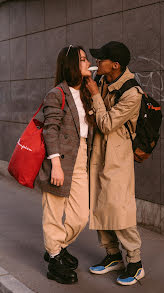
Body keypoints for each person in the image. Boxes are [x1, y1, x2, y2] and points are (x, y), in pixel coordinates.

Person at [86, 41, 145, 286]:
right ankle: (113, 255)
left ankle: (135, 262)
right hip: (99, 152)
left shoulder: (132, 93)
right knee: (99, 204)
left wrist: (96, 97)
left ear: (115, 65)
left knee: (119, 208)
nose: (97, 63)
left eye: (101, 60)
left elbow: (108, 124)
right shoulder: (103, 80)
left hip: (118, 157)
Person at [39, 45, 94, 284]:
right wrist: (56, 165)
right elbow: (50, 130)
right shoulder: (57, 93)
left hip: (81, 157)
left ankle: (57, 247)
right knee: (54, 211)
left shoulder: (85, 92)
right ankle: (54, 258)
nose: (87, 62)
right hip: (59, 158)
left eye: (86, 59)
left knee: (81, 215)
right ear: (71, 64)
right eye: (82, 60)